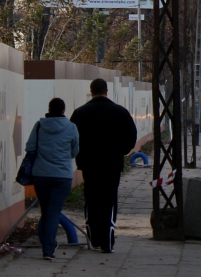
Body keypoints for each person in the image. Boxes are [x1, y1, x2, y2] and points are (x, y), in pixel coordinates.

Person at [70, 78, 138, 253]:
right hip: (111, 164)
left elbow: (72, 139)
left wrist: (81, 155)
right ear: (106, 91)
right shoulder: (120, 112)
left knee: (92, 199)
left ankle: (94, 237)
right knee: (109, 199)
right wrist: (120, 151)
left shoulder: (80, 113)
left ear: (91, 92)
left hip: (89, 164)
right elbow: (131, 137)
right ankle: (108, 240)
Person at [25, 98, 79, 261]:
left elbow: (30, 147)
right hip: (62, 176)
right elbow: (74, 151)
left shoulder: (39, 126)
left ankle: (46, 242)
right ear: (64, 111)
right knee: (54, 212)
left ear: (49, 109)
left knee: (46, 211)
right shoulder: (71, 127)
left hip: (41, 175)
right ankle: (48, 248)